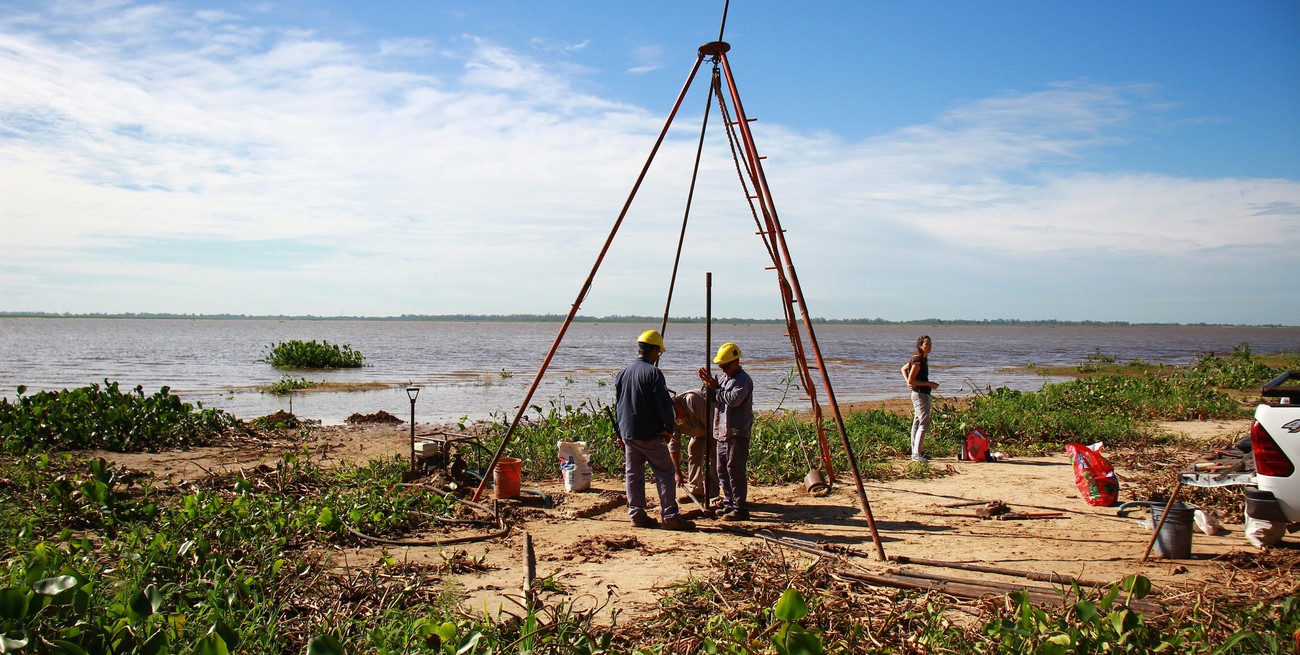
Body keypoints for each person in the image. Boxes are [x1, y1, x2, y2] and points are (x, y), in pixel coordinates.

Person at [613, 329, 694, 530]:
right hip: (649, 434)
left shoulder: (623, 373)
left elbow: (619, 404)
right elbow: (664, 405)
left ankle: (637, 515)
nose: (658, 356)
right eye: (658, 352)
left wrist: (622, 432)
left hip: (629, 432)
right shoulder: (653, 373)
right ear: (654, 350)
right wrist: (668, 429)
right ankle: (671, 516)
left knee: (633, 474)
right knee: (665, 472)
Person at [698, 342, 754, 521]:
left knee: (734, 470)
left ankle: (740, 507)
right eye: (721, 367)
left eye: (726, 366)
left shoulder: (743, 380)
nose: (724, 370)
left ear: (736, 362)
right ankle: (729, 502)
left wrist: (716, 388)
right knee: (721, 469)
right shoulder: (723, 379)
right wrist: (707, 386)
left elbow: (733, 399)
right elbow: (710, 397)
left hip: (736, 433)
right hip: (722, 432)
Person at [673, 388, 716, 501]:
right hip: (699, 433)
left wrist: (710, 449)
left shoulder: (691, 400)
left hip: (715, 429)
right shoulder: (670, 417)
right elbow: (674, 445)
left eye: (678, 414)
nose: (679, 419)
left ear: (678, 405)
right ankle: (696, 490)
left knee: (714, 457)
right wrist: (677, 471)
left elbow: (712, 427)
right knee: (693, 449)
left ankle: (713, 492)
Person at [901, 335, 939, 461]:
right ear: (920, 345)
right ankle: (916, 454)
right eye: (926, 344)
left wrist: (908, 382)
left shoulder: (921, 359)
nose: (929, 346)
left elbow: (904, 368)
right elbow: (912, 379)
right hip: (920, 394)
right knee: (924, 423)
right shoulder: (917, 360)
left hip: (922, 393)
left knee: (917, 422)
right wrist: (929, 384)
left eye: (930, 343)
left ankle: (916, 452)